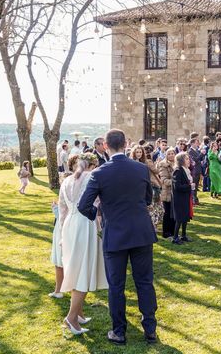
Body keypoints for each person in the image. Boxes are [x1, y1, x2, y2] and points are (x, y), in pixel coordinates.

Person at [77, 129, 158, 346]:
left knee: (116, 285)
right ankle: (150, 329)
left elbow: (83, 206)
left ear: (105, 144)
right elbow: (148, 199)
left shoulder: (100, 173)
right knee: (144, 281)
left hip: (115, 234)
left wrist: (100, 215)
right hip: (141, 231)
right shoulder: (141, 168)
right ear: (124, 143)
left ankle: (119, 331)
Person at [59, 153, 107, 335]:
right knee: (83, 270)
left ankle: (78, 312)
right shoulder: (90, 178)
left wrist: (63, 234)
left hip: (69, 227)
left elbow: (62, 210)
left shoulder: (66, 181)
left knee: (74, 269)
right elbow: (98, 203)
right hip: (85, 224)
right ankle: (71, 318)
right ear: (90, 166)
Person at [132, 146, 164, 229]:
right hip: (136, 188)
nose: (139, 154)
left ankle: (153, 226)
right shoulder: (131, 163)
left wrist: (157, 163)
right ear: (134, 153)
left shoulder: (146, 162)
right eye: (137, 152)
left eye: (140, 152)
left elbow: (156, 171)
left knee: (152, 206)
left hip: (149, 186)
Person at [171, 152, 194, 244]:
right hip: (179, 198)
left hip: (185, 196)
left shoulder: (186, 170)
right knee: (179, 218)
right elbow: (177, 186)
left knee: (185, 216)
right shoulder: (178, 170)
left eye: (188, 158)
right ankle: (175, 238)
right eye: (187, 159)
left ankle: (183, 235)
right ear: (181, 161)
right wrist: (190, 186)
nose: (189, 160)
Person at [157, 148, 176, 239]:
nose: (171, 155)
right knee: (167, 213)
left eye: (173, 153)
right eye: (169, 154)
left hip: (176, 192)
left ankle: (173, 232)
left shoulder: (177, 164)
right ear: (166, 155)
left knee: (174, 213)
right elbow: (163, 180)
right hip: (167, 192)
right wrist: (175, 182)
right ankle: (166, 233)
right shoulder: (163, 165)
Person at [49, 198, 64, 299]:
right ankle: (58, 289)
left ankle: (58, 290)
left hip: (62, 230)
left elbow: (63, 216)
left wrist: (55, 209)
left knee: (60, 262)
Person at [188, 138, 204, 206]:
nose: (197, 144)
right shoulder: (190, 151)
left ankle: (195, 199)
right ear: (192, 143)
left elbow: (200, 159)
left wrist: (202, 155)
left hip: (198, 170)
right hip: (194, 171)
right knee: (193, 186)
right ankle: (193, 200)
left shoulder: (197, 150)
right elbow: (195, 159)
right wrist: (201, 154)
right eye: (196, 143)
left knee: (196, 186)